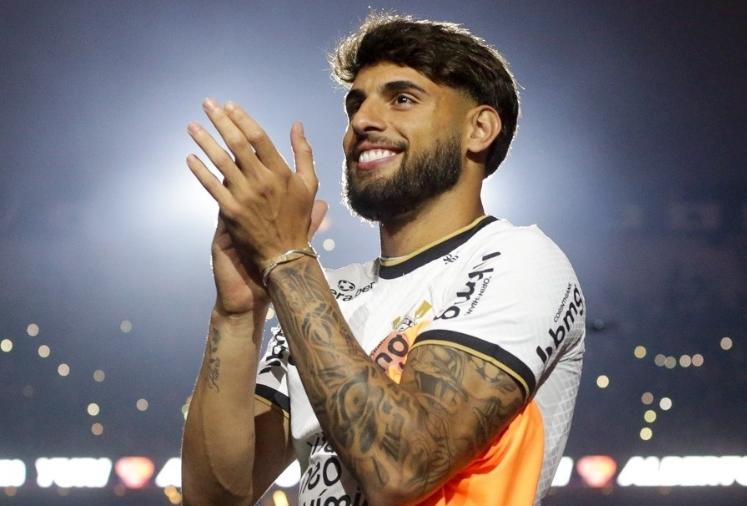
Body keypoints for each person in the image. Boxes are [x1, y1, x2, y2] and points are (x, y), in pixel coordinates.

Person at [181, 13, 585, 506]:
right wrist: (237, 313)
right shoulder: (324, 292)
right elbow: (214, 498)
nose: (362, 122)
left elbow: (404, 468)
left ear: (479, 129)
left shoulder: (519, 261)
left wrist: (287, 259)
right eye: (356, 104)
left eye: (402, 98)